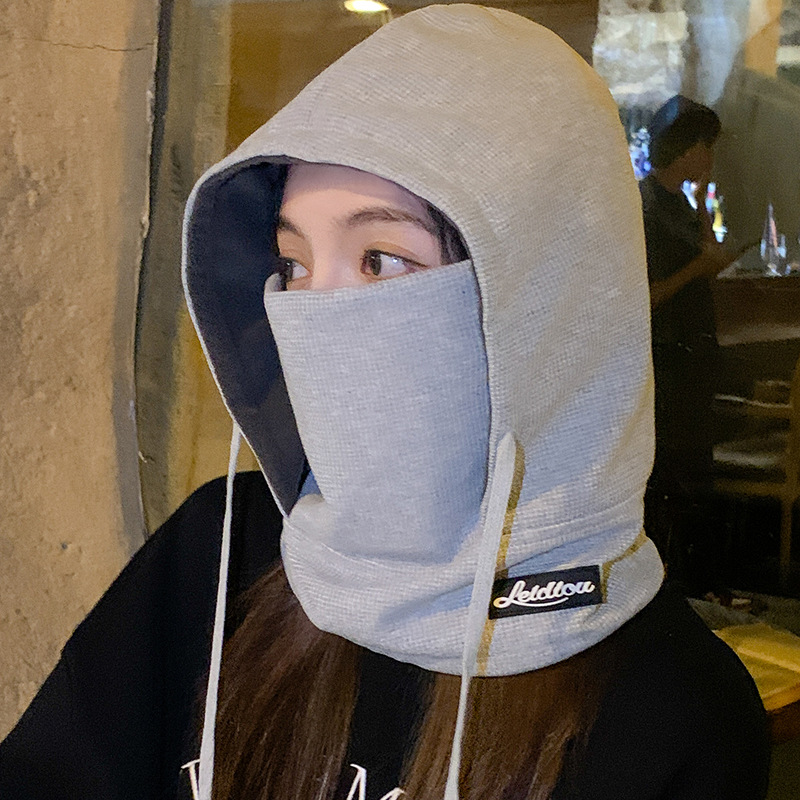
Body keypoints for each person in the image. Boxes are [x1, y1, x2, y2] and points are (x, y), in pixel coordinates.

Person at [0, 7, 769, 800]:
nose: (316, 313)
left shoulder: (674, 710)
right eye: (293, 264)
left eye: (381, 259)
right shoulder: (222, 551)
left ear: (543, 298)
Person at [639, 96, 738, 584]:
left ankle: (698, 577)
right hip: (667, 355)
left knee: (694, 464)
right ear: (685, 149)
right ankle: (671, 578)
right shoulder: (646, 205)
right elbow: (649, 294)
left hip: (693, 350)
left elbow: (704, 258)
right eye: (705, 146)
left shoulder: (680, 202)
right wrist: (698, 267)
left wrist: (702, 209)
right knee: (671, 469)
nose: (710, 156)